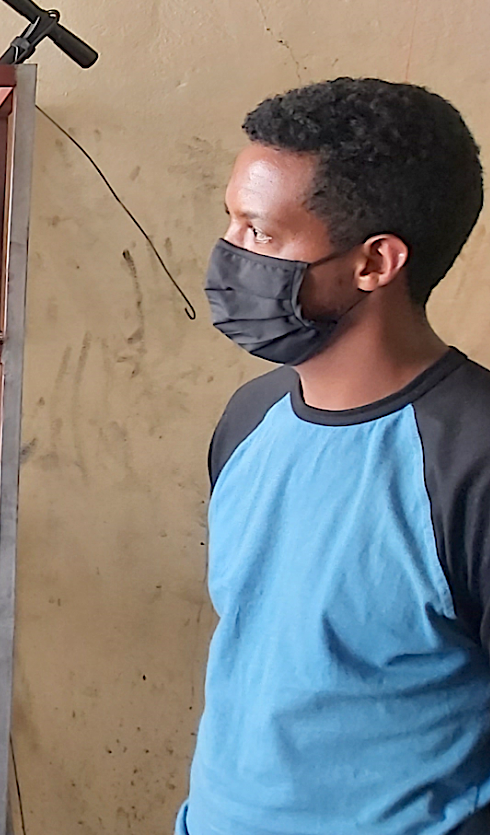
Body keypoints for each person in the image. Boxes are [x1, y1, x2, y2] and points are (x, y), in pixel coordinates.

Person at [183, 78, 488, 834]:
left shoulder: (470, 460)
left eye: (259, 233)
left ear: (374, 262)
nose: (228, 256)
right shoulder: (248, 420)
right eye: (230, 221)